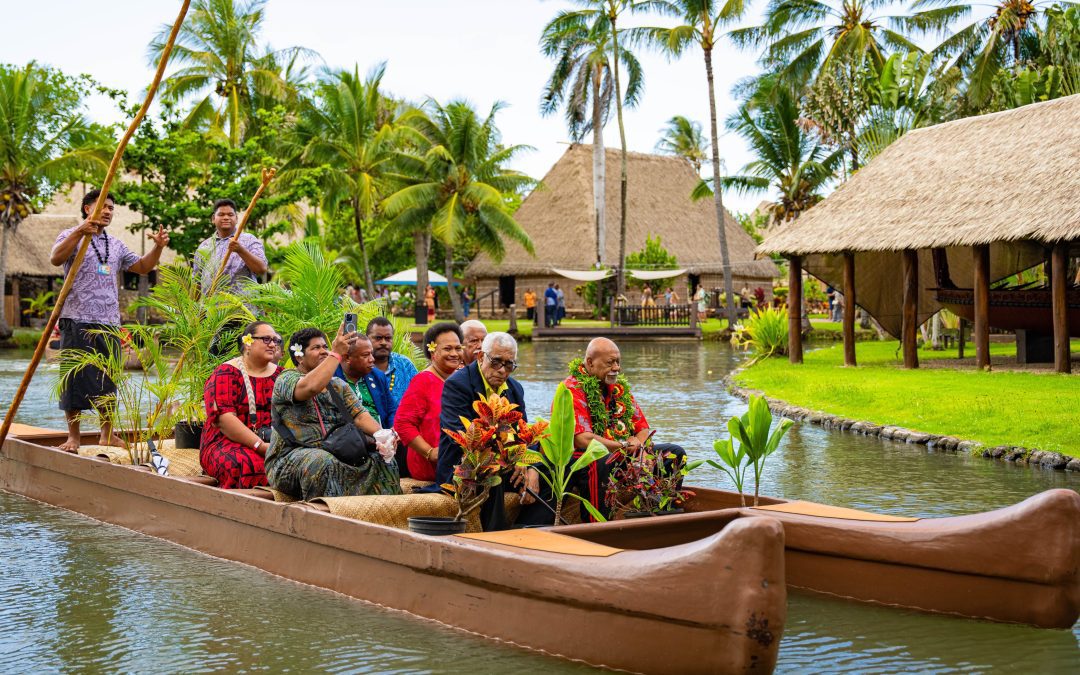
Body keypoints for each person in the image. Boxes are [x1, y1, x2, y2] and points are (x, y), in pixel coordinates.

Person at [51, 189, 170, 452]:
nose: (108, 211)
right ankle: (74, 437)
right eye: (103, 206)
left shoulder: (115, 244)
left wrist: (158, 247)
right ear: (87, 209)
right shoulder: (70, 235)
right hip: (77, 318)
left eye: (111, 208)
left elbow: (142, 267)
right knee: (74, 378)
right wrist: (80, 232)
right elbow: (56, 258)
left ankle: (107, 434)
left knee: (109, 378)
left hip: (108, 322)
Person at [266, 326, 401, 500]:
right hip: (290, 458)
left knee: (383, 459)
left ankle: (384, 511)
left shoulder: (337, 384)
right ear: (299, 356)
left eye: (325, 347)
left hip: (337, 452)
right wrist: (336, 353)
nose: (324, 351)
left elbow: (360, 416)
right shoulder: (286, 379)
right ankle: (325, 513)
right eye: (316, 347)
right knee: (322, 461)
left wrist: (384, 437)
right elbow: (310, 387)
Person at [433, 332, 549, 530]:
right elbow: (459, 435)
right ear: (480, 357)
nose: (502, 370)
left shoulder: (515, 388)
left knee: (553, 470)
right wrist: (509, 460)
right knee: (492, 473)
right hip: (466, 465)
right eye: (496, 362)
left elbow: (524, 434)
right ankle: (495, 536)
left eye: (509, 364)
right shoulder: (458, 385)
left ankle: (528, 528)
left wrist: (530, 467)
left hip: (508, 463)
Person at [562, 338, 686, 521]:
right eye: (610, 363)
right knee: (602, 460)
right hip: (583, 457)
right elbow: (582, 439)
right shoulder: (571, 389)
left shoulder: (619, 388)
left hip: (622, 451)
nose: (617, 368)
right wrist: (622, 446)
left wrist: (640, 450)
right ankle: (597, 523)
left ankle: (661, 510)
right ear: (590, 362)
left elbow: (642, 428)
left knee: (675, 453)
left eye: (618, 362)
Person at [201, 321, 284, 488]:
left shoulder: (282, 375)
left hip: (273, 441)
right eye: (266, 339)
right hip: (226, 441)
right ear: (248, 343)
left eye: (276, 340)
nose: (273, 344)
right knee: (249, 465)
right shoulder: (226, 373)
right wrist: (260, 446)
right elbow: (224, 420)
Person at [394, 323, 464, 481]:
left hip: (459, 461)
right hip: (430, 466)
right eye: (447, 349)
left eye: (458, 348)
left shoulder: (462, 380)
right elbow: (402, 424)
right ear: (433, 351)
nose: (454, 354)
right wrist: (430, 452)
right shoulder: (423, 381)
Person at [192, 198, 268, 295]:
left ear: (236, 219)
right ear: (213, 219)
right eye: (221, 214)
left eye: (230, 214)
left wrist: (241, 250)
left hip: (243, 304)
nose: (226, 217)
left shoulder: (249, 240)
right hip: (211, 304)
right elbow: (197, 281)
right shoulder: (204, 246)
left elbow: (261, 269)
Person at [334, 334, 396, 428]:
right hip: (348, 434)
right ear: (347, 358)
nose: (372, 359)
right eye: (365, 355)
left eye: (371, 353)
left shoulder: (377, 376)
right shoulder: (332, 378)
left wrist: (393, 429)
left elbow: (392, 410)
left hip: (382, 433)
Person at [366, 316, 419, 408]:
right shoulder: (359, 366)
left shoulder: (405, 365)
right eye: (378, 338)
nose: (383, 342)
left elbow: (421, 397)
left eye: (388, 338)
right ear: (366, 338)